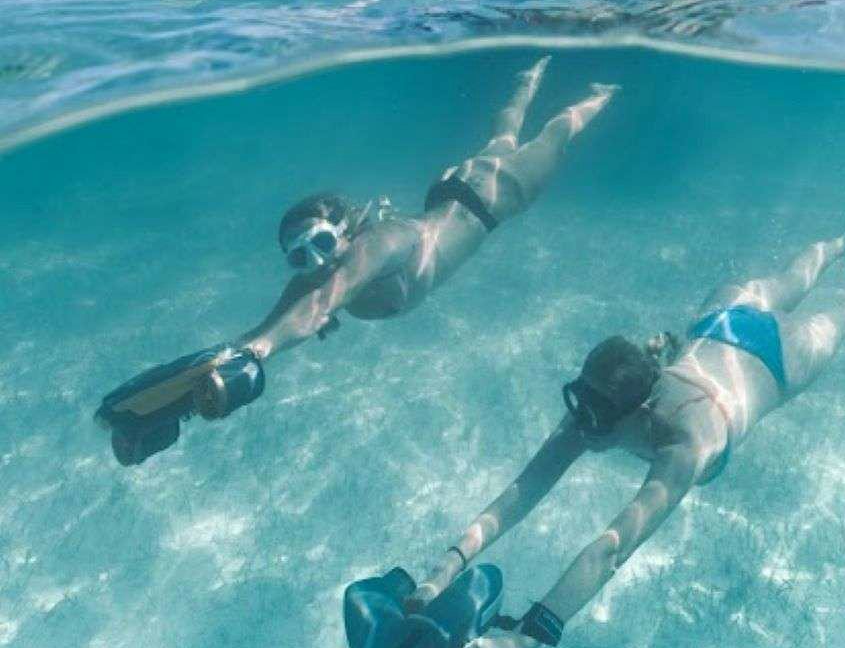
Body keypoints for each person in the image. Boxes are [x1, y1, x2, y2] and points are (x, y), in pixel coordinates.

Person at [404, 231, 845, 648]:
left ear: (639, 412)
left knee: (842, 318)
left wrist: (526, 640)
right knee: (791, 280)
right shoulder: (602, 401)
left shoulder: (685, 444)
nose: (583, 421)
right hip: (718, 321)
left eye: (597, 413)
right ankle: (840, 243)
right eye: (581, 401)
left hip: (777, 359)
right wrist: (444, 569)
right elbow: (523, 489)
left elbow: (614, 546)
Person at [95, 60, 617, 465]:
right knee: (502, 137)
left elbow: (326, 299)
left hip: (494, 197)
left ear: (348, 230)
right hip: (450, 191)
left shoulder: (381, 243)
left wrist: (261, 351)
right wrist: (241, 351)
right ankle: (528, 78)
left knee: (553, 136)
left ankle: (599, 96)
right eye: (299, 256)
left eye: (322, 244)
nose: (313, 262)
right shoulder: (325, 272)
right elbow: (301, 304)